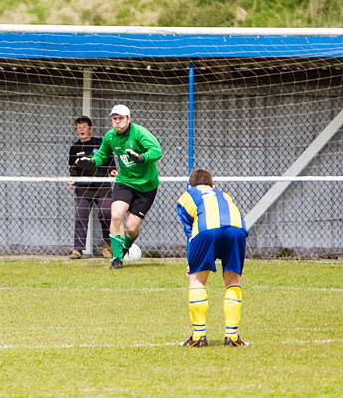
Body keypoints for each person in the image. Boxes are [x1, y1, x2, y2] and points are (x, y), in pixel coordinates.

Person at [75, 104, 162, 269]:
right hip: (124, 182)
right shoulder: (110, 136)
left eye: (120, 118)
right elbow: (102, 154)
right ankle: (116, 258)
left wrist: (141, 157)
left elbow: (157, 151)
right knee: (116, 215)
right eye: (114, 119)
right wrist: (92, 162)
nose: (117, 122)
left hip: (147, 186)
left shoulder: (140, 133)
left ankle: (126, 246)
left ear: (128, 119)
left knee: (131, 228)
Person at [176, 168, 249, 347]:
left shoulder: (186, 196)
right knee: (233, 280)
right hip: (236, 229)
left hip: (206, 231)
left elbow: (190, 233)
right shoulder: (223, 194)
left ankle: (198, 336)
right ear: (212, 184)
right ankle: (232, 337)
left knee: (197, 280)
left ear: (190, 185)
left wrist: (190, 263)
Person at [68, 116, 114, 259]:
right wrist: (73, 179)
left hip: (102, 186)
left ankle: (108, 246)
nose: (81, 129)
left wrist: (113, 171)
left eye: (84, 126)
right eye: (78, 127)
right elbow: (73, 169)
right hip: (83, 187)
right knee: (81, 214)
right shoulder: (75, 148)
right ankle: (77, 249)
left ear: (90, 128)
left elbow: (110, 159)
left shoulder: (100, 143)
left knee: (106, 213)